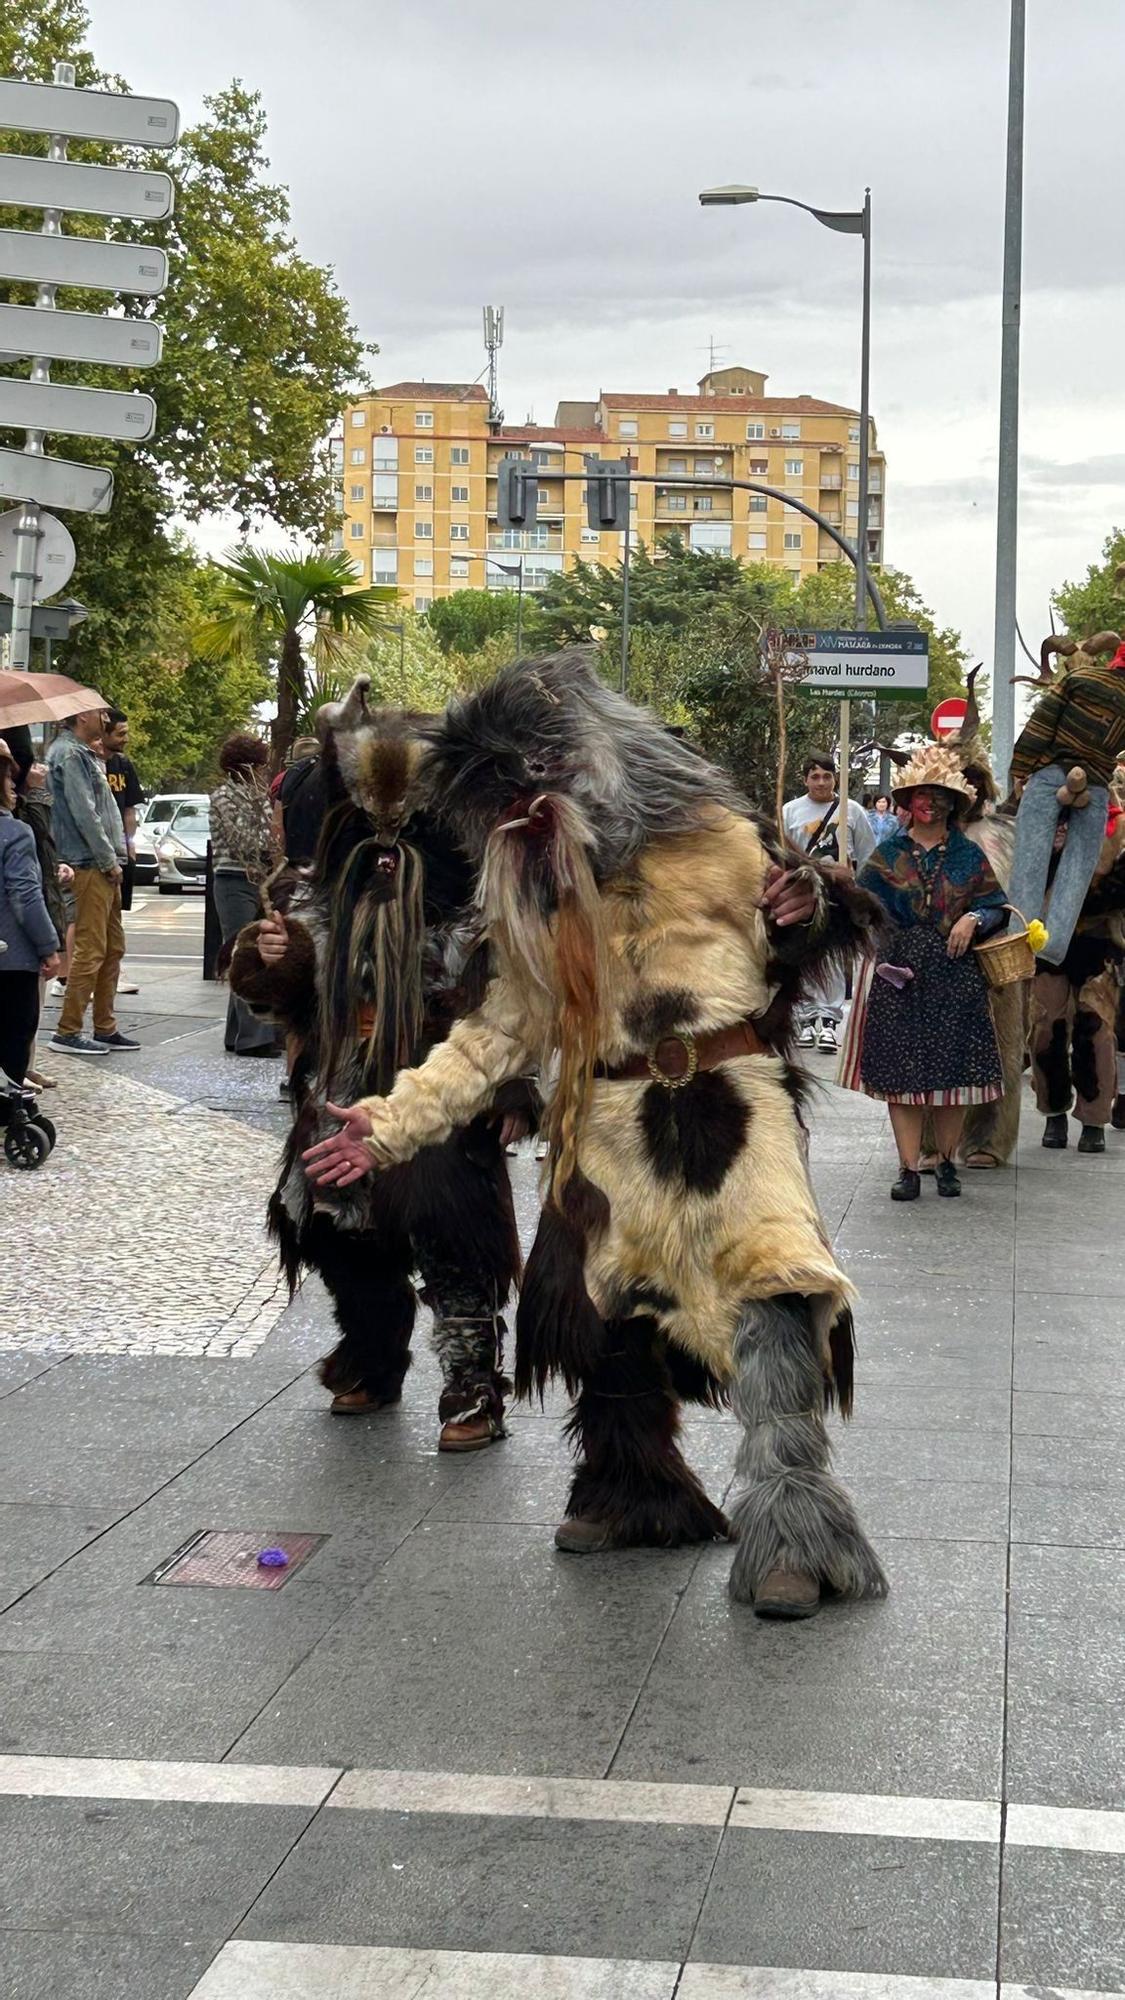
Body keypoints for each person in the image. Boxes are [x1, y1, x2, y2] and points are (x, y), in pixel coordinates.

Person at [303, 649, 887, 1621]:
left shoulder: (719, 837)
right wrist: (387, 1122)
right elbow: (499, 1029)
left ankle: (797, 1524)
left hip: (731, 1103)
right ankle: (630, 1488)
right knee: (607, 1314)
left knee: (776, 1296)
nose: (528, 806)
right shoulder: (536, 887)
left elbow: (809, 931)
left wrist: (803, 909)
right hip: (605, 1121)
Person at [228, 675, 532, 1448]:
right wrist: (274, 959)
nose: (388, 853)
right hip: (339, 1084)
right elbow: (288, 993)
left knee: (452, 1241)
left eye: (405, 835)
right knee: (334, 1230)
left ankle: (471, 1386)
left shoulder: (480, 906)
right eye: (373, 834)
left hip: (441, 1086)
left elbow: (514, 1008)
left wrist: (515, 1089)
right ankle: (372, 1349)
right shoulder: (323, 893)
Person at [848, 745, 1008, 1201]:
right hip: (899, 975)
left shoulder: (969, 855)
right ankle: (908, 1168)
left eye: (939, 794)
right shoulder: (886, 854)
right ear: (908, 800)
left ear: (954, 803)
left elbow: (998, 908)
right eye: (922, 793)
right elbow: (861, 907)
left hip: (956, 974)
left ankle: (946, 1163)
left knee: (951, 1071)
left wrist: (973, 918)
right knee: (901, 1075)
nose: (930, 801)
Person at [1008, 631, 1125, 965]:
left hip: (1052, 775)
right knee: (1080, 865)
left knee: (1030, 856)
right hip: (1098, 785)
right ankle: (1052, 946)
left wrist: (1021, 768)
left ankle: (1017, 941)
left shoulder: (1079, 679)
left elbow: (1041, 724)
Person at [1030, 806, 1125, 1153]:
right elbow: (1024, 874)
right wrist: (1054, 855)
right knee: (1046, 1028)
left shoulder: (1118, 827)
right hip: (1050, 942)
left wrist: (1083, 891)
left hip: (1098, 944)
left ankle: (1093, 1118)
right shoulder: (1045, 819)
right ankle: (1053, 1111)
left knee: (1096, 1031)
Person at [45, 709, 138, 1057]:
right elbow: (85, 812)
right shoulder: (70, 754)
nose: (104, 718)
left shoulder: (81, 753)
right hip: (89, 864)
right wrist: (107, 860)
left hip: (101, 863)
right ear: (82, 717)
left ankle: (104, 1026)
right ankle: (68, 1030)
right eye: (98, 713)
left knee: (112, 947)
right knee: (91, 949)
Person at [782, 751, 875, 1053]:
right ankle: (806, 1019)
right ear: (805, 779)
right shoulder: (790, 811)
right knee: (804, 953)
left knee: (834, 957)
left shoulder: (852, 811)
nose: (821, 782)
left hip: (839, 894)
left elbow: (869, 854)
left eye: (827, 776)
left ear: (836, 777)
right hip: (803, 892)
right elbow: (781, 852)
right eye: (815, 776)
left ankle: (829, 1022)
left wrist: (858, 885)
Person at [209, 733, 281, 1057]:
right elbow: (243, 838)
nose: (264, 772)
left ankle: (237, 1033)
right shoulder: (223, 796)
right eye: (259, 766)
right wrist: (269, 841)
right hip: (232, 878)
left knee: (250, 950)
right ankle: (254, 1038)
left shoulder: (260, 797)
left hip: (258, 879)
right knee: (243, 951)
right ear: (245, 766)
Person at [0, 746, 61, 1101]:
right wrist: (47, 946)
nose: (14, 785)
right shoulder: (15, 833)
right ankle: (8, 1110)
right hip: (11, 957)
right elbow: (24, 896)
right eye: (8, 776)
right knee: (14, 1034)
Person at [102, 710, 144, 997]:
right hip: (97, 851)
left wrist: (130, 843)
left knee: (115, 912)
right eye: (120, 733)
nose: (125, 739)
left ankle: (113, 969)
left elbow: (129, 808)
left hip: (119, 849)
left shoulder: (123, 765)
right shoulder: (88, 764)